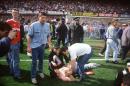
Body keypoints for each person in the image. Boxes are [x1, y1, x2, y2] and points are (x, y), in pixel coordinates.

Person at [27, 12, 51, 84]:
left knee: (41, 61)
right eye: (42, 17)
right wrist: (28, 46)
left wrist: (49, 44)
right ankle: (33, 76)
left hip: (43, 46)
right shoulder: (33, 25)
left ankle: (40, 72)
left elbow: (49, 35)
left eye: (45, 18)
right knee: (34, 62)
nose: (44, 19)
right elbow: (29, 36)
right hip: (34, 47)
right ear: (39, 17)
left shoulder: (47, 25)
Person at [6, 8, 22, 79]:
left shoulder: (18, 22)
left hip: (17, 43)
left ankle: (12, 71)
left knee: (12, 59)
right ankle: (17, 74)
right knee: (15, 59)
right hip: (11, 43)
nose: (15, 14)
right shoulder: (9, 21)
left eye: (16, 13)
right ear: (12, 14)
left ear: (18, 14)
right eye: (14, 12)